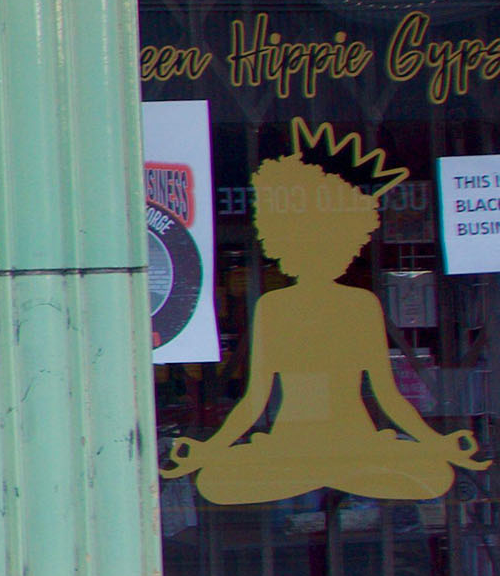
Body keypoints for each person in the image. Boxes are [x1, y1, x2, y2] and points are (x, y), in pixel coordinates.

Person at [163, 146, 486, 505]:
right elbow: (255, 399)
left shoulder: (361, 305)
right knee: (214, 482)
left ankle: (326, 471)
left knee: (436, 475)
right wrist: (211, 450)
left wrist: (434, 443)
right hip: (294, 447)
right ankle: (327, 471)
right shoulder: (274, 307)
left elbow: (388, 394)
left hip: (352, 445)